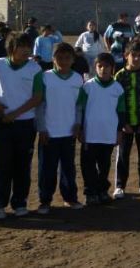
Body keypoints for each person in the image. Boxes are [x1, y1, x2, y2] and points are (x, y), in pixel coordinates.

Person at [0, 33, 44, 219]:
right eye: (22, 46)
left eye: (28, 46)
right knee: (2, 164)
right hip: (2, 124)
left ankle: (20, 203)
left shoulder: (35, 68)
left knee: (23, 165)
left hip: (25, 124)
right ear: (11, 48)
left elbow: (37, 97)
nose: (27, 50)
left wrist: (15, 114)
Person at [35, 42, 84, 214]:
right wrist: (41, 128)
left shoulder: (78, 79)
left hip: (69, 132)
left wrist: (78, 124)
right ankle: (45, 201)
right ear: (53, 59)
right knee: (47, 169)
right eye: (59, 58)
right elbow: (40, 106)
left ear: (72, 60)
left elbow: (79, 106)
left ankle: (70, 198)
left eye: (67, 58)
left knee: (68, 168)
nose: (63, 61)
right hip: (49, 133)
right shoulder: (45, 77)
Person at [79, 53, 125, 206]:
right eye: (100, 66)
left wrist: (119, 132)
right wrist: (80, 130)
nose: (103, 69)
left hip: (107, 134)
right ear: (95, 67)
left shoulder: (117, 88)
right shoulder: (88, 87)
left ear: (112, 68)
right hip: (90, 134)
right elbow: (80, 110)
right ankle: (90, 192)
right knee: (88, 166)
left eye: (107, 66)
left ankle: (102, 191)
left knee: (104, 165)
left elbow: (121, 112)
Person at [113, 42, 140, 199]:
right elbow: (115, 102)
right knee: (123, 155)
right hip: (126, 124)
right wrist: (122, 123)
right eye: (133, 55)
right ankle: (119, 186)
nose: (137, 58)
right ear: (126, 56)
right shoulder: (119, 76)